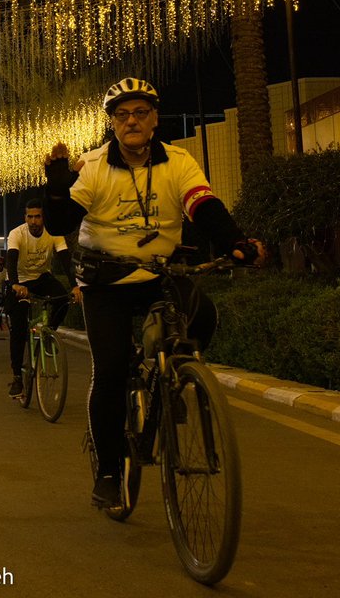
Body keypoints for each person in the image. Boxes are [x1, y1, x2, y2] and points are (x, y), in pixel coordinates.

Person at [42, 78, 264, 510]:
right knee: (108, 373)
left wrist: (236, 242)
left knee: (203, 317)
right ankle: (108, 469)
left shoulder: (179, 162)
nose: (132, 121)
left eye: (140, 113)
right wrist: (55, 186)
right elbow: (59, 222)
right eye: (122, 115)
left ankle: (170, 382)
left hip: (161, 271)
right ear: (112, 123)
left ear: (154, 119)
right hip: (106, 280)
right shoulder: (93, 166)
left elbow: (204, 206)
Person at [5, 201, 75, 397]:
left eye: (38, 216)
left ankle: (49, 332)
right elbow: (11, 260)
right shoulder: (17, 234)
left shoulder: (54, 232)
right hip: (20, 282)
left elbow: (65, 260)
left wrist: (76, 286)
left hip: (43, 278)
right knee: (18, 327)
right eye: (30, 217)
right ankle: (17, 377)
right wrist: (15, 285)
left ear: (44, 218)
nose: (34, 221)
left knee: (63, 298)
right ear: (25, 218)